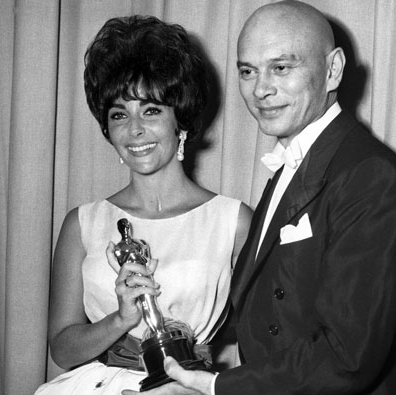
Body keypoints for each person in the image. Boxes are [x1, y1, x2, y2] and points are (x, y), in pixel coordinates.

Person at [124, 1, 396, 394]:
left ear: (332, 70)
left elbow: (347, 357)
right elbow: (270, 313)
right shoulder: (291, 168)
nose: (261, 89)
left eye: (281, 68)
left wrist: (217, 388)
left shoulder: (372, 177)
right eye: (248, 71)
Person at [35, 15, 252, 394]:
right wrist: (120, 319)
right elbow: (63, 350)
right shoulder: (83, 223)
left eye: (151, 110)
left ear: (180, 121)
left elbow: (265, 340)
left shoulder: (232, 221)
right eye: (119, 114)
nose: (134, 130)